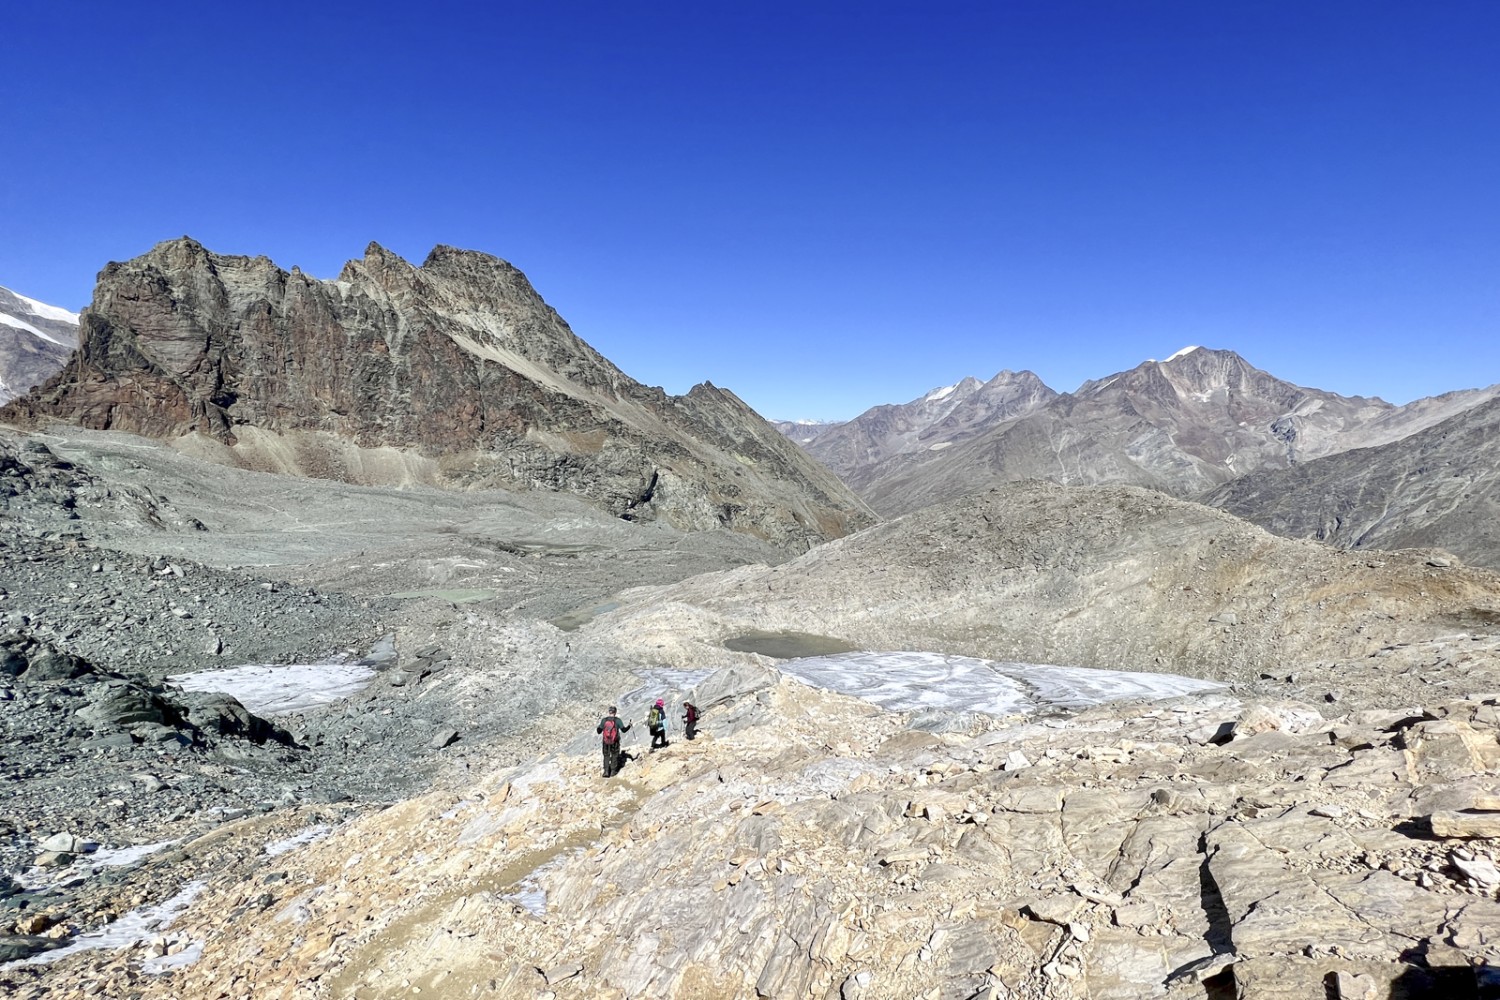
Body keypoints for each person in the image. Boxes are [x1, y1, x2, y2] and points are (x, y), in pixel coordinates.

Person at [597, 705, 631, 777]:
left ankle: (606, 771)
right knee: (614, 755)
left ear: (609, 712)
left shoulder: (604, 720)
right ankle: (613, 771)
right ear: (615, 712)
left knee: (606, 755)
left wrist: (599, 727)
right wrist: (629, 726)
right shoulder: (618, 720)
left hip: (605, 742)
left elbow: (599, 731)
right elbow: (624, 730)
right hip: (615, 741)